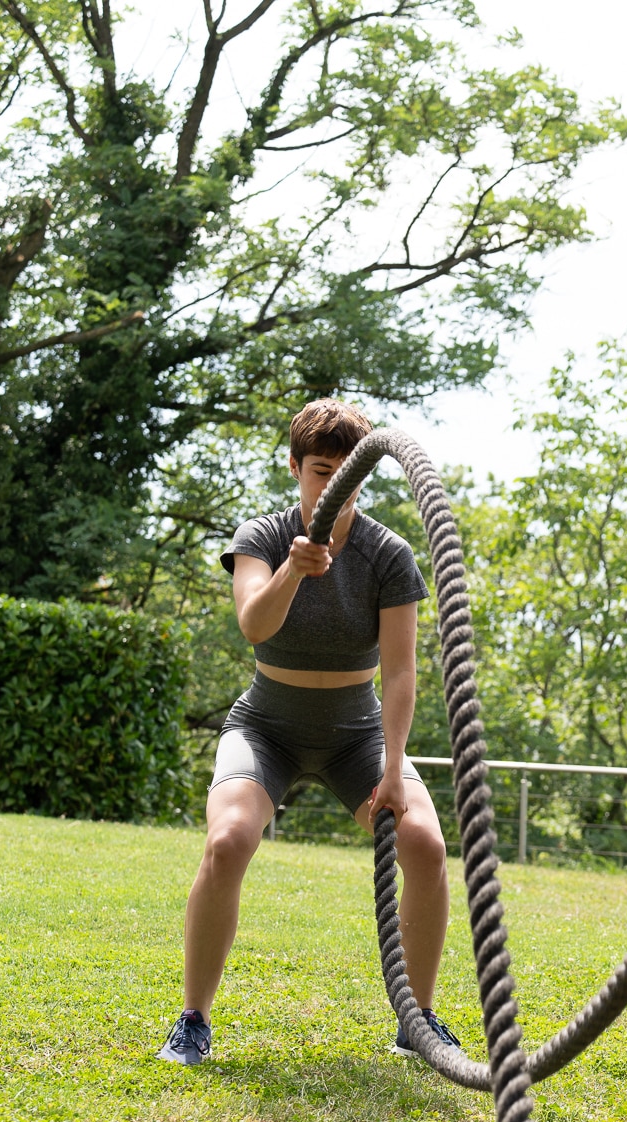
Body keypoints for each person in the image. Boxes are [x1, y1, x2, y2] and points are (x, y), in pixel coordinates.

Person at [157, 400, 462, 1066]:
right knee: (229, 838)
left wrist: (392, 769)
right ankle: (193, 1019)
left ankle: (418, 1018)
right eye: (322, 471)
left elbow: (404, 673)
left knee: (426, 845)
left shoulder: (388, 554)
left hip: (358, 732)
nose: (334, 488)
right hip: (269, 726)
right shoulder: (261, 538)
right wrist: (298, 566)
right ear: (296, 467)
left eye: (349, 476)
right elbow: (254, 626)